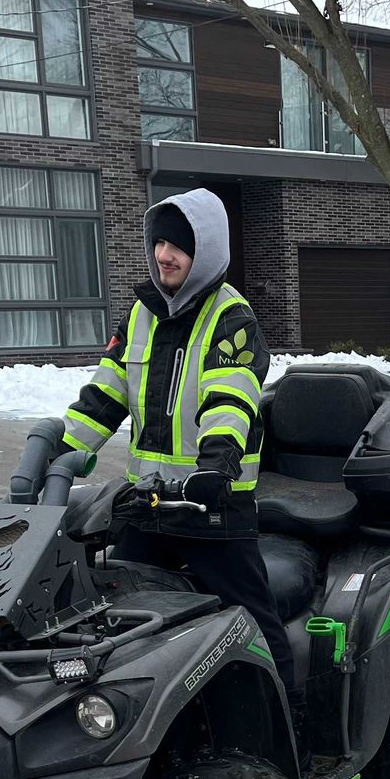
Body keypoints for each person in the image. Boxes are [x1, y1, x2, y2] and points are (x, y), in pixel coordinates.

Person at [57, 188, 297, 722]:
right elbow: (105, 394)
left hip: (213, 507)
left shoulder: (231, 318)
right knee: (112, 614)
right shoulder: (141, 314)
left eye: (179, 245)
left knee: (251, 620)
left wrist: (217, 464)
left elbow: (230, 398)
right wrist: (63, 453)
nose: (164, 254)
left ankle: (293, 724)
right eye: (160, 241)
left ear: (206, 251)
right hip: (148, 506)